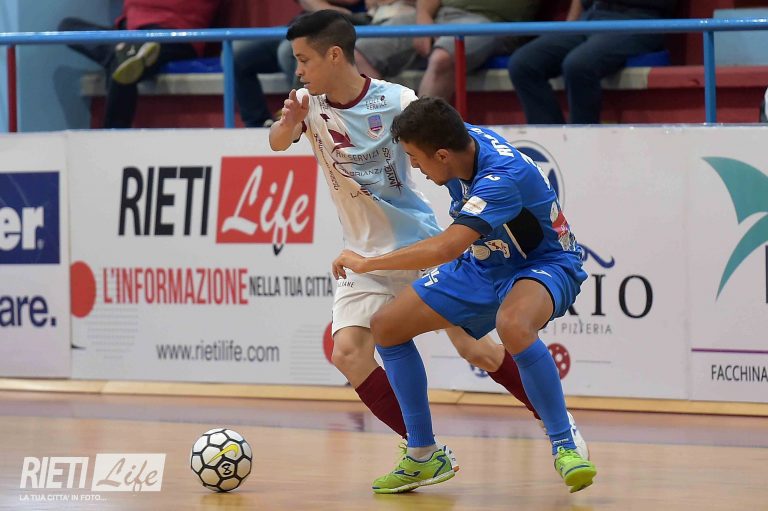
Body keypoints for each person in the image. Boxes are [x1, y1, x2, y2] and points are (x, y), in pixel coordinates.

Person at [269, 9, 588, 474]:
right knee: (350, 352)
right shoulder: (306, 102)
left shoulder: (400, 100)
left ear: (334, 55)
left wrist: (367, 261)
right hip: (364, 248)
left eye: (304, 59)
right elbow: (278, 142)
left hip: (418, 240)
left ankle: (559, 428)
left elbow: (442, 142)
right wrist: (288, 122)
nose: (298, 70)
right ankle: (423, 450)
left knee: (480, 346)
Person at [332, 97, 597, 493]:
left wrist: (368, 263)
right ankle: (423, 453)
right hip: (485, 261)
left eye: (416, 158)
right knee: (387, 326)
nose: (415, 167)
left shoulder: (501, 178)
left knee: (513, 325)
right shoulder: (458, 141)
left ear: (442, 155)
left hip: (544, 263)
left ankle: (565, 444)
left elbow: (445, 248)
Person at [508, 0, 677, 124]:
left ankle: (581, 142)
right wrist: (569, 26)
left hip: (637, 19)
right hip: (592, 16)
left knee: (578, 65)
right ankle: (553, 142)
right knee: (524, 64)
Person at [59, 0, 221, 128]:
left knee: (122, 62)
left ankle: (113, 138)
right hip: (129, 32)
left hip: (172, 34)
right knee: (68, 27)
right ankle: (123, 49)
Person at [355, 0, 539, 100]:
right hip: (441, 13)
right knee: (358, 52)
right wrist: (424, 16)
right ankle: (386, 130)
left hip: (493, 22)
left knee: (442, 57)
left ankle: (418, 135)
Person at [233, 0, 368, 128]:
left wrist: (320, 6)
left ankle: (305, 117)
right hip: (305, 22)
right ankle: (258, 124)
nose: (299, 71)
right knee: (238, 53)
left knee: (287, 51)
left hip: (350, 22)